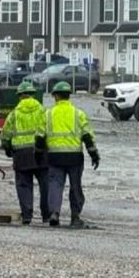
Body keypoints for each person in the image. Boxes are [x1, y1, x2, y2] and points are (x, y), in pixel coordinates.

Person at [45, 81, 99, 227]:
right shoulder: (78, 114)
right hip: (75, 157)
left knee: (55, 185)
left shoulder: (48, 114)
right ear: (69, 96)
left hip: (55, 157)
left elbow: (39, 135)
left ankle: (54, 213)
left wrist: (38, 153)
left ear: (55, 96)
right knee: (75, 186)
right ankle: (75, 217)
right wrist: (94, 155)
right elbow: (87, 135)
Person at [0, 80, 50, 225]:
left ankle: (27, 215)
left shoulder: (14, 114)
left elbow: (5, 135)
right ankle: (46, 215)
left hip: (21, 154)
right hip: (41, 152)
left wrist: (7, 148)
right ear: (33, 95)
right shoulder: (43, 111)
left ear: (20, 96)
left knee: (24, 185)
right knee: (45, 185)